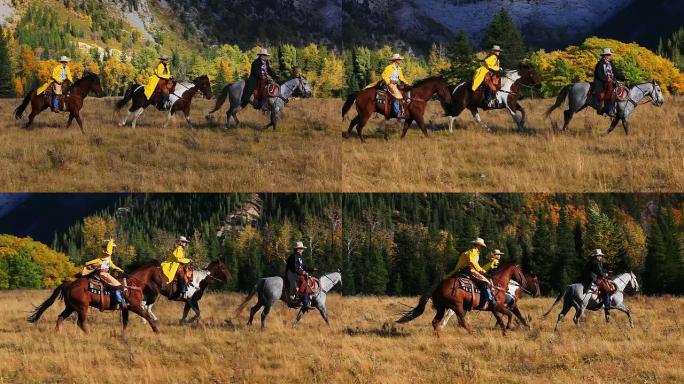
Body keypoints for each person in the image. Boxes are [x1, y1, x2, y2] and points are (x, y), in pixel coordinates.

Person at [446, 238, 498, 307]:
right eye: (481, 246)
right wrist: (482, 271)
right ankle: (490, 300)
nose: (482, 248)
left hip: (462, 270)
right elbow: (472, 262)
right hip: (468, 270)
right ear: (478, 245)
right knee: (486, 282)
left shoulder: (469, 252)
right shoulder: (473, 252)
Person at [81, 239, 126, 309]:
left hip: (106, 274)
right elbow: (109, 251)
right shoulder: (105, 254)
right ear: (107, 247)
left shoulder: (107, 257)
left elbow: (111, 265)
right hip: (103, 274)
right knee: (116, 286)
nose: (112, 249)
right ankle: (120, 302)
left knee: (116, 285)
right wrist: (111, 242)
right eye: (112, 247)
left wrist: (119, 269)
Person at [365, 53, 409, 118]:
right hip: (390, 84)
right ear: (395, 60)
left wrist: (407, 83)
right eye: (399, 59)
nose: (400, 61)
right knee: (398, 96)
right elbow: (383, 75)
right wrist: (388, 82)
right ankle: (397, 112)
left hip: (396, 84)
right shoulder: (389, 67)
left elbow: (401, 77)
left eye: (400, 59)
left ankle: (402, 110)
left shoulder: (399, 68)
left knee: (404, 93)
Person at [593, 48, 625, 116]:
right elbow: (598, 74)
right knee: (610, 88)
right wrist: (607, 79)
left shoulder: (611, 63)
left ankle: (617, 107)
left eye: (610, 55)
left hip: (611, 81)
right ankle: (607, 108)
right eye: (609, 55)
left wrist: (623, 77)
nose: (610, 56)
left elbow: (615, 72)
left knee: (620, 87)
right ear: (605, 55)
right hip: (602, 82)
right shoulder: (600, 63)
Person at [581, 249, 612, 317]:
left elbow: (599, 271)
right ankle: (607, 305)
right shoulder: (596, 262)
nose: (601, 257)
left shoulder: (591, 261)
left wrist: (604, 272)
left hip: (587, 277)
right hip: (593, 278)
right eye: (600, 255)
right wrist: (606, 274)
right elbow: (600, 273)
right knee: (607, 289)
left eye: (601, 255)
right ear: (597, 256)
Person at [286, 241, 310, 308]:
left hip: (296, 273)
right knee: (304, 282)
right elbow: (295, 268)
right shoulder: (293, 256)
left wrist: (312, 269)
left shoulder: (299, 256)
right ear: (298, 249)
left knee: (305, 280)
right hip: (293, 274)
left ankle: (304, 300)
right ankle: (299, 298)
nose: (303, 250)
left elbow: (303, 266)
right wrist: (303, 272)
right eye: (302, 248)